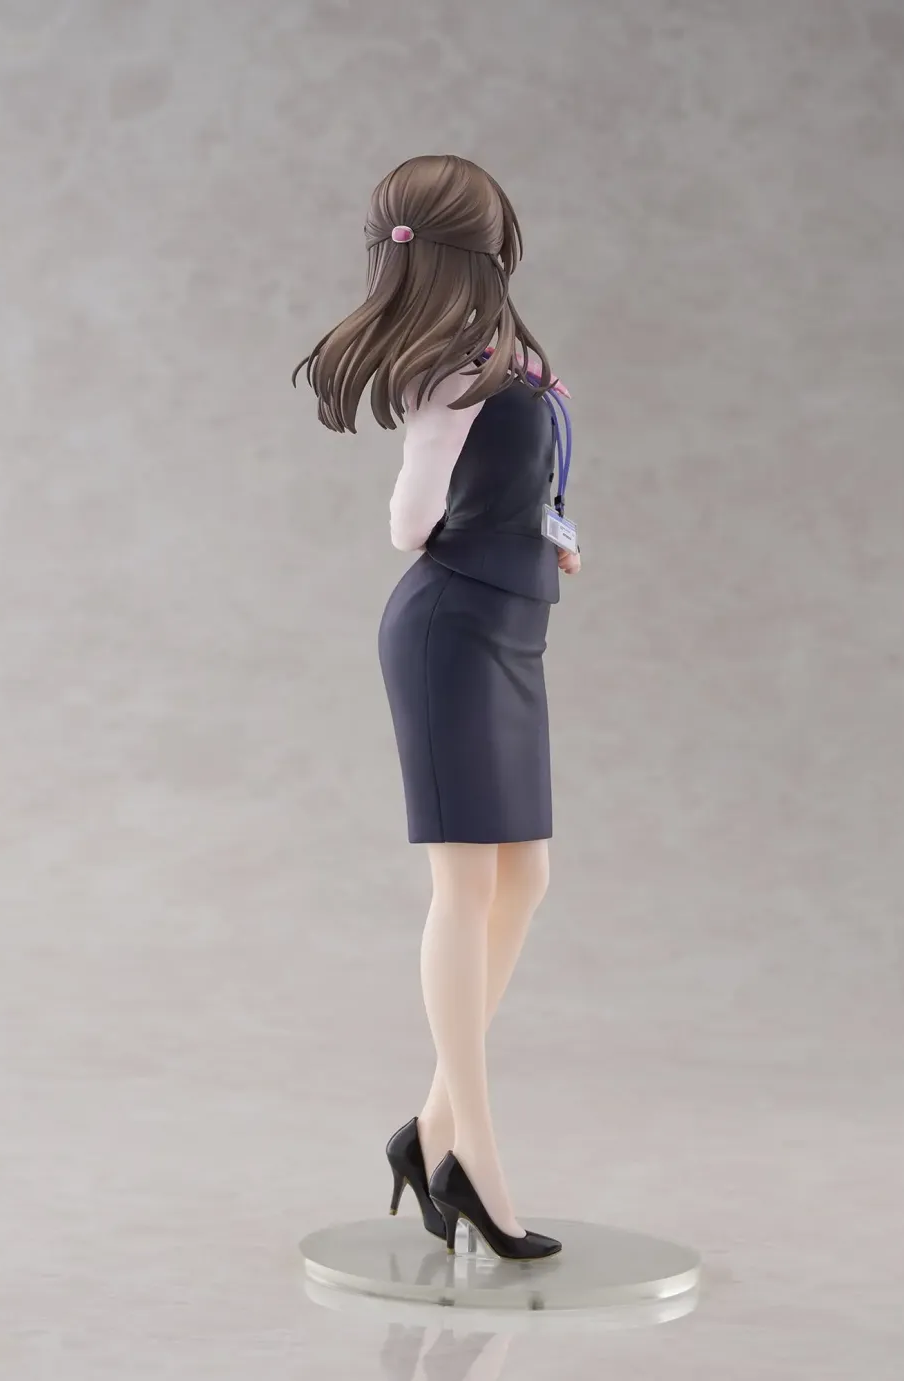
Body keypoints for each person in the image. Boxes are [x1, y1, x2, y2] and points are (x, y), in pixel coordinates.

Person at [294, 154, 580, 1260]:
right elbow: (410, 525)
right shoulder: (448, 375)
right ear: (485, 251)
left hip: (511, 628)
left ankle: (428, 1131)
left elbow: (531, 484)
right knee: (465, 886)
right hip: (451, 631)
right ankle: (476, 1159)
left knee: (526, 876)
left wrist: (547, 535)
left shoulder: (504, 360)